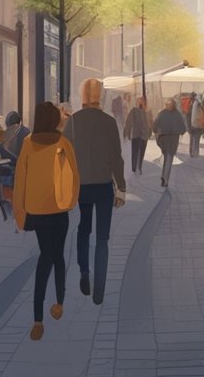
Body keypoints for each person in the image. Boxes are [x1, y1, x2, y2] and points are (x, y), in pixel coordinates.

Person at [13, 103, 80, 341]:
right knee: (58, 256)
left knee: (45, 256)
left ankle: (37, 318)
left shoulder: (28, 143)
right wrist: (70, 202)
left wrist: (19, 212)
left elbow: (20, 179)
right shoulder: (63, 143)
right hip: (59, 210)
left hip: (37, 212)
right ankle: (59, 303)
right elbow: (74, 176)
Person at [64, 78, 128, 305]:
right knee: (103, 238)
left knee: (83, 228)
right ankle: (99, 289)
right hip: (102, 186)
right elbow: (116, 158)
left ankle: (84, 271)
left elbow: (65, 157)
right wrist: (121, 186)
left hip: (81, 186)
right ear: (99, 96)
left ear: (82, 96)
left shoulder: (71, 123)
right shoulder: (109, 122)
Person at [152, 98, 187, 188]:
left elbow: (155, 126)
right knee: (169, 158)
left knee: (167, 156)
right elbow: (183, 128)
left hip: (163, 139)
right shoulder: (177, 114)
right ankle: (165, 178)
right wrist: (178, 131)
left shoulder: (162, 113)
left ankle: (164, 177)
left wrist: (157, 131)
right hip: (173, 139)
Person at [124, 96, 152, 175]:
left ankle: (139, 166)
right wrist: (127, 131)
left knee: (141, 152)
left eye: (142, 101)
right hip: (136, 134)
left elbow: (150, 123)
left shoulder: (148, 112)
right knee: (135, 152)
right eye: (140, 101)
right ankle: (134, 168)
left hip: (143, 135)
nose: (141, 103)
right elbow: (128, 121)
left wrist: (149, 132)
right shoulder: (134, 110)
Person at [188, 90, 204, 157]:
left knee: (193, 140)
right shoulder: (198, 104)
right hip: (197, 125)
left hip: (193, 125)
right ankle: (195, 154)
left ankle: (192, 153)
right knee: (196, 141)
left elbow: (189, 115)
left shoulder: (192, 104)